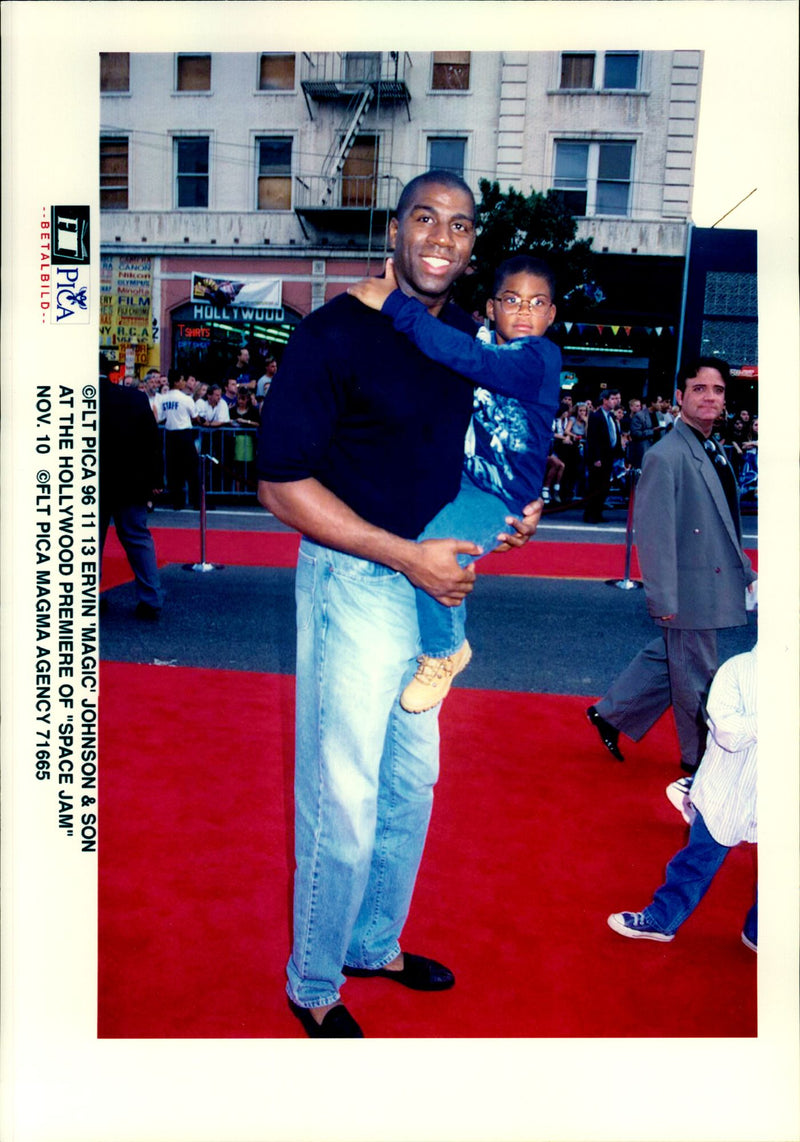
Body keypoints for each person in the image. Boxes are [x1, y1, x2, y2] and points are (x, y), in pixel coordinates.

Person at [256, 170, 542, 1038]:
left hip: (433, 595)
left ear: (469, 246)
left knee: (412, 787)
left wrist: (511, 512)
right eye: (426, 218)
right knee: (341, 798)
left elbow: (481, 451)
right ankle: (313, 980)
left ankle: (373, 944)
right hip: (357, 580)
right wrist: (402, 556)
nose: (441, 238)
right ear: (396, 226)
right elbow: (278, 484)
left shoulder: (469, 337)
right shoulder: (336, 331)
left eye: (459, 226)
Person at [347, 253, 561, 713]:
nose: (524, 312)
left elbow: (466, 356)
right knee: (426, 547)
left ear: (551, 314)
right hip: (461, 478)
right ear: (490, 307)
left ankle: (445, 652)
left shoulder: (539, 356)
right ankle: (444, 641)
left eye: (536, 302)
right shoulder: (482, 336)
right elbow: (456, 339)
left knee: (435, 550)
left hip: (500, 494)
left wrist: (396, 306)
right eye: (512, 300)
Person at [587, 358, 757, 778]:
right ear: (680, 397)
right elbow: (654, 533)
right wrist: (663, 598)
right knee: (697, 677)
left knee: (670, 657)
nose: (710, 398)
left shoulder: (709, 445)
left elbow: (723, 521)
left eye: (717, 390)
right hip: (688, 589)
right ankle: (699, 760)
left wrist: (745, 570)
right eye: (699, 389)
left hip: (710, 578)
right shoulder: (667, 455)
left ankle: (612, 714)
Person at [607, 646, 757, 950]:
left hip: (780, 793)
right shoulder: (740, 669)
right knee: (696, 861)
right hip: (725, 792)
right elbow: (728, 733)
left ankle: (760, 932)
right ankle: (663, 920)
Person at [99, 375, 164, 619]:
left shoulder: (79, 398)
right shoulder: (135, 398)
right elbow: (153, 441)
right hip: (132, 482)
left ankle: (86, 596)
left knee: (90, 543)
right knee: (138, 540)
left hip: (93, 484)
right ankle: (151, 599)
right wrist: (156, 479)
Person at [155, 370, 200, 510]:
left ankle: (177, 501)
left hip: (170, 435)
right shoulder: (186, 399)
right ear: (176, 382)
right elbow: (194, 416)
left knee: (174, 470)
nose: (184, 382)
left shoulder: (163, 398)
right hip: (184, 434)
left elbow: (161, 417)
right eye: (182, 379)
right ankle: (197, 501)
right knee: (192, 469)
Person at [583, 388, 623, 522]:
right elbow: (592, 439)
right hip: (599, 457)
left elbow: (614, 435)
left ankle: (598, 512)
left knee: (604, 487)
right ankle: (590, 513)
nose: (615, 401)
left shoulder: (611, 416)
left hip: (609, 456)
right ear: (605, 400)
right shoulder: (596, 416)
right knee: (595, 486)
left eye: (616, 399)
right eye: (612, 399)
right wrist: (596, 458)